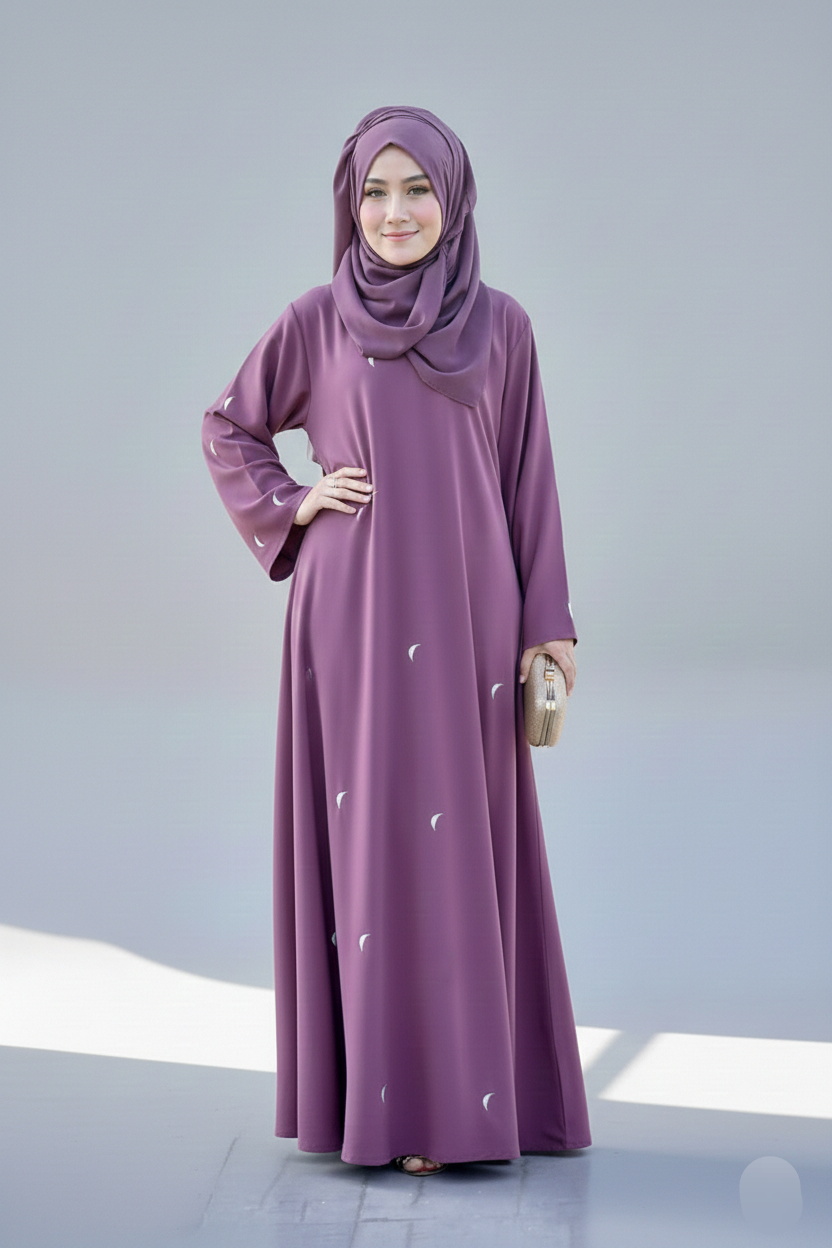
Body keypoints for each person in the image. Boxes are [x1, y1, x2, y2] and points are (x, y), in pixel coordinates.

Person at [202, 105, 591, 1177]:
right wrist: (293, 500)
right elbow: (229, 423)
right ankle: (391, 1109)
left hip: (469, 621)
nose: (394, 212)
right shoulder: (317, 320)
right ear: (349, 204)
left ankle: (462, 1105)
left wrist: (547, 627)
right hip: (355, 618)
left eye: (417, 189)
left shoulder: (502, 326)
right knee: (374, 844)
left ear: (452, 199)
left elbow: (529, 478)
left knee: (460, 847)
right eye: (373, 192)